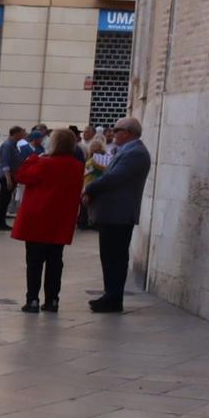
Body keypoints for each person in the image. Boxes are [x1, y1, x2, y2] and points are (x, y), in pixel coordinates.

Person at [10, 126, 84, 313]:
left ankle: (33, 299)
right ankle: (52, 300)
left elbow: (22, 175)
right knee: (55, 262)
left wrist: (36, 156)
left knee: (34, 262)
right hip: (60, 220)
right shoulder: (77, 167)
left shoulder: (43, 163)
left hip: (38, 219)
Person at [83, 115, 151, 313]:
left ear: (128, 133)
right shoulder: (127, 151)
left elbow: (114, 178)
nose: (113, 134)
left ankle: (113, 298)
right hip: (112, 212)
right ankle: (110, 294)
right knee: (109, 256)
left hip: (119, 213)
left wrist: (90, 189)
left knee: (115, 257)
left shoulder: (136, 153)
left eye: (117, 130)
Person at [0, 126, 33, 229]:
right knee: (3, 199)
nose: (23, 134)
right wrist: (8, 179)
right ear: (15, 134)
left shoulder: (14, 145)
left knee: (6, 200)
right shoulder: (7, 145)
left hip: (12, 176)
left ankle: (1, 221)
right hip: (7, 176)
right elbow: (5, 163)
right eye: (21, 133)